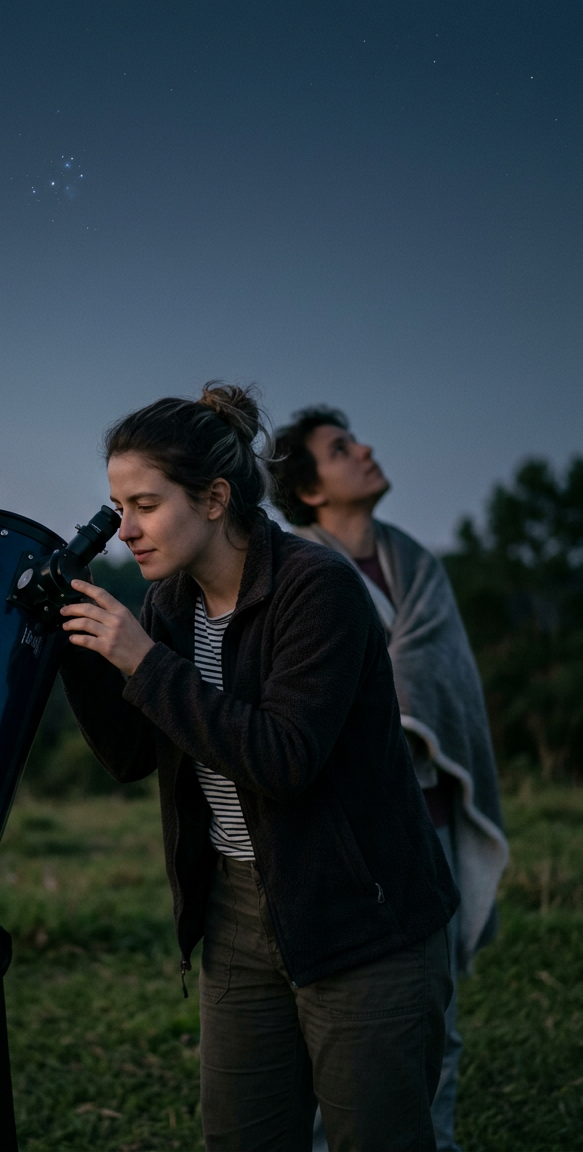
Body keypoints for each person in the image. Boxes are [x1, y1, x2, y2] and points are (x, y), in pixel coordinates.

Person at [59, 383, 458, 1151]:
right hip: (237, 914)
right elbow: (131, 755)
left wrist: (144, 662)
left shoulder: (318, 591)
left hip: (361, 913)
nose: (125, 530)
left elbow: (283, 759)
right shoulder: (171, 604)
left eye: (144, 504)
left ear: (213, 499)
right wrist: (79, 649)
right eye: (118, 507)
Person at [270, 406, 509, 1152]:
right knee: (342, 1014)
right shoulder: (292, 571)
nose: (364, 450)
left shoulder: (417, 563)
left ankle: (433, 1143)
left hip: (427, 818)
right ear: (309, 491)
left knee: (432, 1010)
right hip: (344, 831)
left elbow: (440, 678)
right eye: (341, 449)